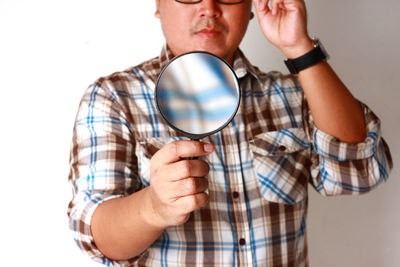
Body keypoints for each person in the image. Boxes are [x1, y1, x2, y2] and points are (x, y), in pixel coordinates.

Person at [67, 0, 393, 266]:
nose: (209, 7)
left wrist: (299, 48)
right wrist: (154, 206)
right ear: (158, 4)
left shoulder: (294, 94)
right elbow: (97, 237)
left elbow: (361, 173)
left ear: (252, 6)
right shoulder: (114, 98)